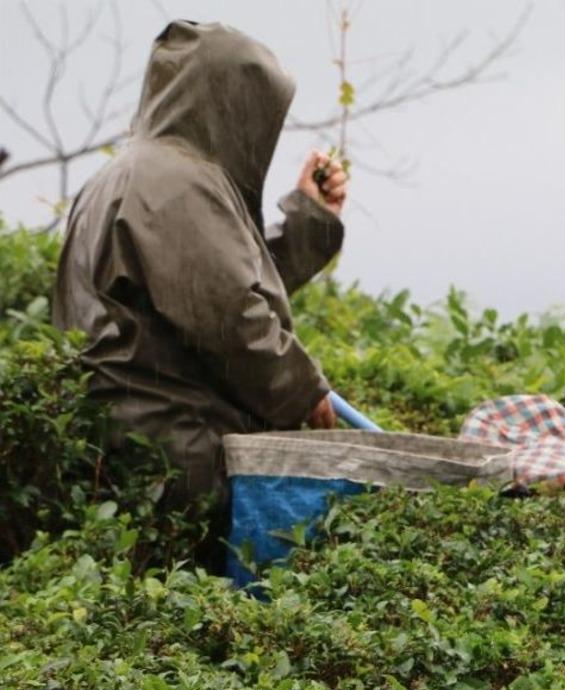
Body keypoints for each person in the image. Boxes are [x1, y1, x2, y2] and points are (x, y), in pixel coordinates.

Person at [52, 21, 348, 554]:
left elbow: (215, 281)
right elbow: (229, 314)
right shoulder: (174, 182)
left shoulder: (136, 173)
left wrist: (310, 222)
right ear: (231, 104)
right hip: (176, 454)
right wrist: (301, 389)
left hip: (127, 448)